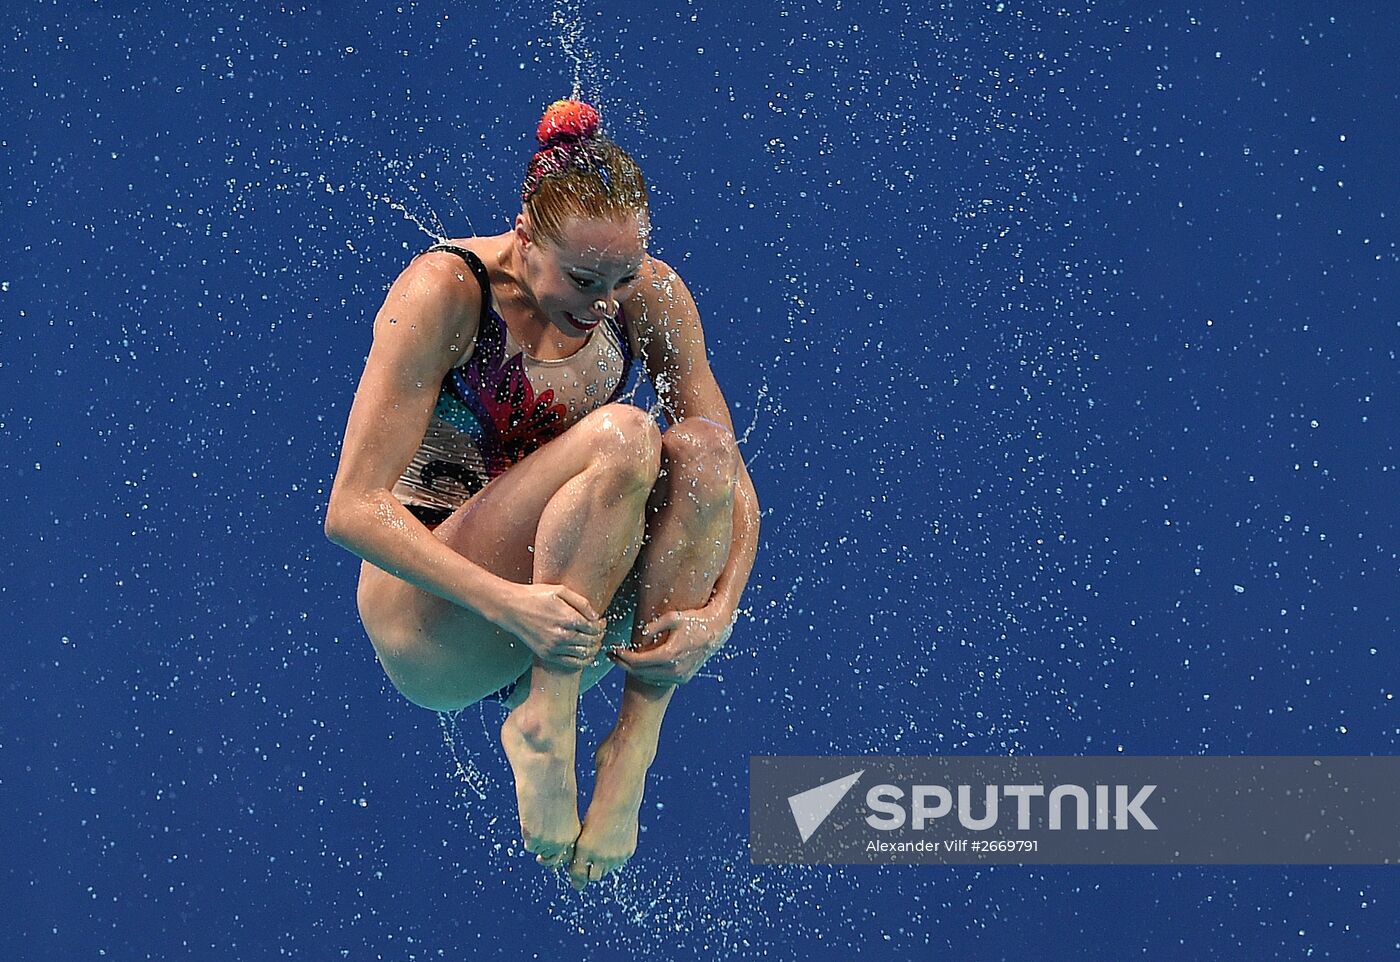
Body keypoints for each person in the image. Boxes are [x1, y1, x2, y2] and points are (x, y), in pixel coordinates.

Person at [324, 99, 760, 892]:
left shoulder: (647, 298)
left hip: (559, 609)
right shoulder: (447, 291)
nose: (604, 303)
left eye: (622, 277)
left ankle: (634, 740)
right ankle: (546, 718)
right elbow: (352, 508)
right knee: (627, 435)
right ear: (525, 234)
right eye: (584, 279)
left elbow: (727, 476)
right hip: (436, 620)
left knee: (698, 451)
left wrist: (719, 615)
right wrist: (504, 602)